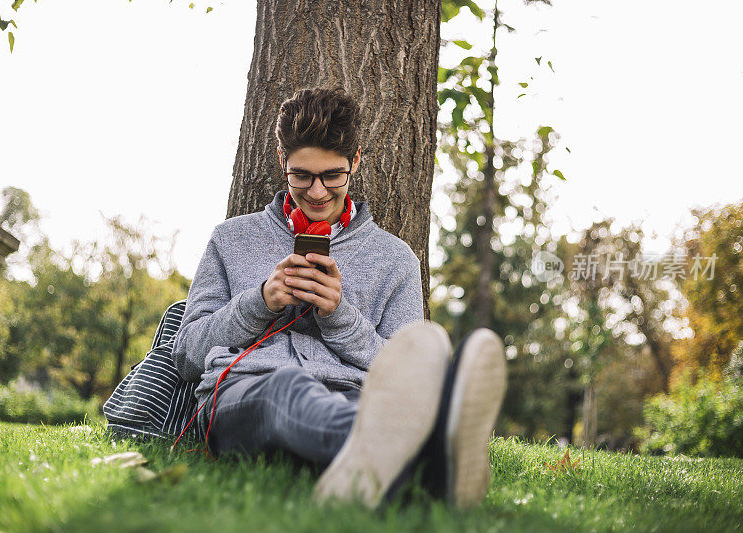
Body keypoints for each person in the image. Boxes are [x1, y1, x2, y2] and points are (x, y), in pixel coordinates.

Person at [171, 86, 507, 509]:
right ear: (282, 163)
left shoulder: (395, 258)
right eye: (301, 175)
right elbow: (184, 356)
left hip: (349, 396)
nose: (316, 193)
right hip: (241, 397)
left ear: (356, 162)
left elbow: (404, 373)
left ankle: (398, 464)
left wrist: (339, 315)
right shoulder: (230, 239)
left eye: (332, 175)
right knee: (286, 388)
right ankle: (428, 448)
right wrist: (259, 302)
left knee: (351, 401)